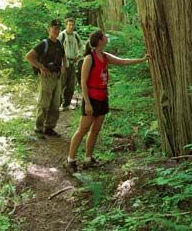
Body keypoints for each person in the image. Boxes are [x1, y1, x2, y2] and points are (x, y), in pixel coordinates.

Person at [64, 29, 150, 172]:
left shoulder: (104, 56)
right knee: (82, 130)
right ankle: (70, 161)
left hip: (103, 98)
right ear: (99, 41)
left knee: (95, 130)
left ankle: (88, 159)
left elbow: (122, 62)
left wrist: (142, 59)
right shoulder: (89, 58)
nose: (106, 37)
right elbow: (83, 82)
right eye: (104, 36)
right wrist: (88, 103)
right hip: (91, 98)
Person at [25, 19, 66, 138]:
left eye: (58, 29)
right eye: (54, 28)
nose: (57, 31)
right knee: (43, 103)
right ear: (49, 29)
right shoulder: (44, 43)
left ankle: (49, 127)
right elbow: (29, 57)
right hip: (46, 77)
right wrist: (41, 67)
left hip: (57, 77)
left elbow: (63, 56)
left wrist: (63, 66)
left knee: (55, 104)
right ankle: (38, 128)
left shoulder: (59, 43)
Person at [59, 18, 83, 111]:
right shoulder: (62, 35)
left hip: (73, 62)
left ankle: (66, 105)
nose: (71, 26)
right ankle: (57, 104)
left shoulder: (76, 35)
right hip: (63, 63)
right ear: (66, 25)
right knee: (61, 84)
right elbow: (58, 48)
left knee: (71, 85)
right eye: (69, 25)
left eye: (72, 25)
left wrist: (79, 55)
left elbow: (81, 45)